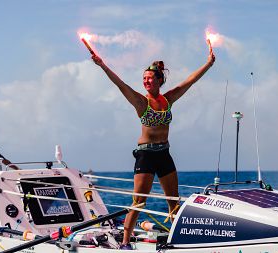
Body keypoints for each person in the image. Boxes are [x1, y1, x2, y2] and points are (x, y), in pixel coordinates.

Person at [92, 45, 215, 249]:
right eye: (144, 78)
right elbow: (120, 85)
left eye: (150, 78)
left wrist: (209, 64)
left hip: (164, 153)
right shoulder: (141, 102)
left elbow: (190, 81)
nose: (146, 81)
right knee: (139, 202)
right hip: (146, 155)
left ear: (159, 80)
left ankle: (179, 241)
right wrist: (102, 65)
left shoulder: (168, 100)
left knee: (174, 202)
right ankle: (125, 243)